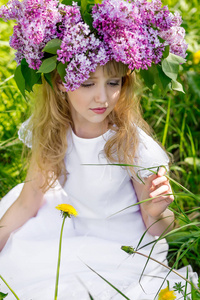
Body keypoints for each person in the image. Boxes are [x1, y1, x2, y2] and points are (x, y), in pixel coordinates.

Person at [0, 0, 198, 299]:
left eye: (113, 82)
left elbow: (158, 229)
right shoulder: (55, 132)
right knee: (29, 260)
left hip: (119, 240)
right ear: (61, 84)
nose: (102, 98)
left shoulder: (131, 145)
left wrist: (159, 210)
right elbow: (29, 202)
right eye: (87, 83)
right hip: (71, 224)